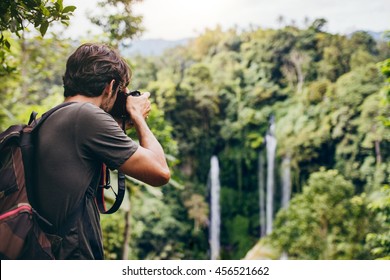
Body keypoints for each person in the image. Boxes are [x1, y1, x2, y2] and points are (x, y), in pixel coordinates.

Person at [33, 43, 170, 259]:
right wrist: (136, 115)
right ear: (110, 86)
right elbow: (160, 172)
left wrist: (119, 121)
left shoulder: (51, 117)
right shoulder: (85, 116)